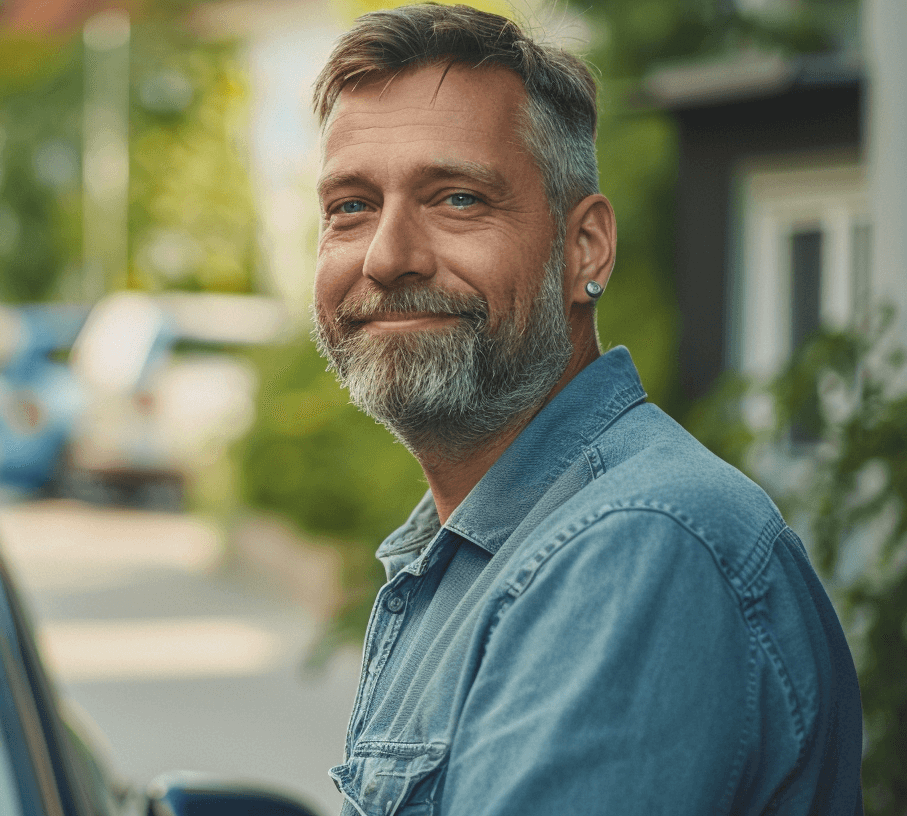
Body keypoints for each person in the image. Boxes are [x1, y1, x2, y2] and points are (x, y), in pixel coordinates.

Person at [307, 4, 863, 815]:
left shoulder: (636, 546)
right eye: (350, 206)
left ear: (585, 249)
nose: (389, 255)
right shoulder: (481, 544)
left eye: (457, 198)